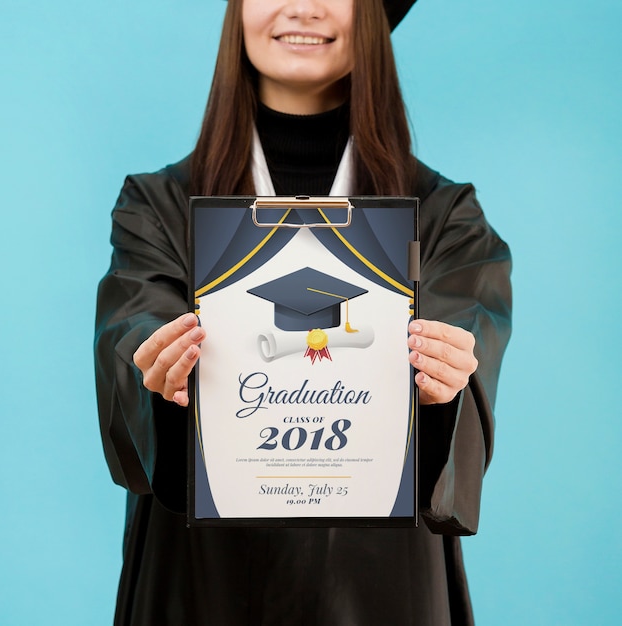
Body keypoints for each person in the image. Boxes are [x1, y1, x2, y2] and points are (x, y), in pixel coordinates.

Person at [94, 0, 512, 624]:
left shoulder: (444, 217)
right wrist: (157, 366)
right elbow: (134, 333)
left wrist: (446, 381)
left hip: (379, 582)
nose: (302, 7)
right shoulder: (158, 208)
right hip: (201, 573)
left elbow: (465, 365)